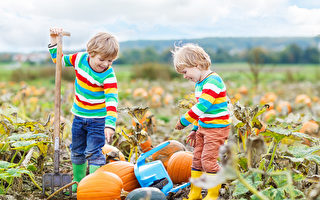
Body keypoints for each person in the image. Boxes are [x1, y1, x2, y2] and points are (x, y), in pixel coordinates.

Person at [48, 27, 119, 192]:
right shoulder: (79, 58)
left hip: (98, 120)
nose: (106, 64)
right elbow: (58, 60)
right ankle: (78, 184)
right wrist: (53, 39)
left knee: (94, 152)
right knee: (77, 150)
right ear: (91, 52)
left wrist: (109, 124)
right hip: (79, 117)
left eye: (111, 61)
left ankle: (93, 187)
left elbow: (112, 100)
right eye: (103, 59)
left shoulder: (108, 76)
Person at [172, 43, 231, 200]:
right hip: (204, 127)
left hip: (217, 128)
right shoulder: (200, 84)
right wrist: (195, 129)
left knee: (208, 160)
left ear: (197, 65)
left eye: (185, 72)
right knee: (196, 159)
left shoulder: (213, 81)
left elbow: (203, 106)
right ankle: (195, 193)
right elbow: (203, 113)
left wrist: (184, 121)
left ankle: (212, 194)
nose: (185, 76)